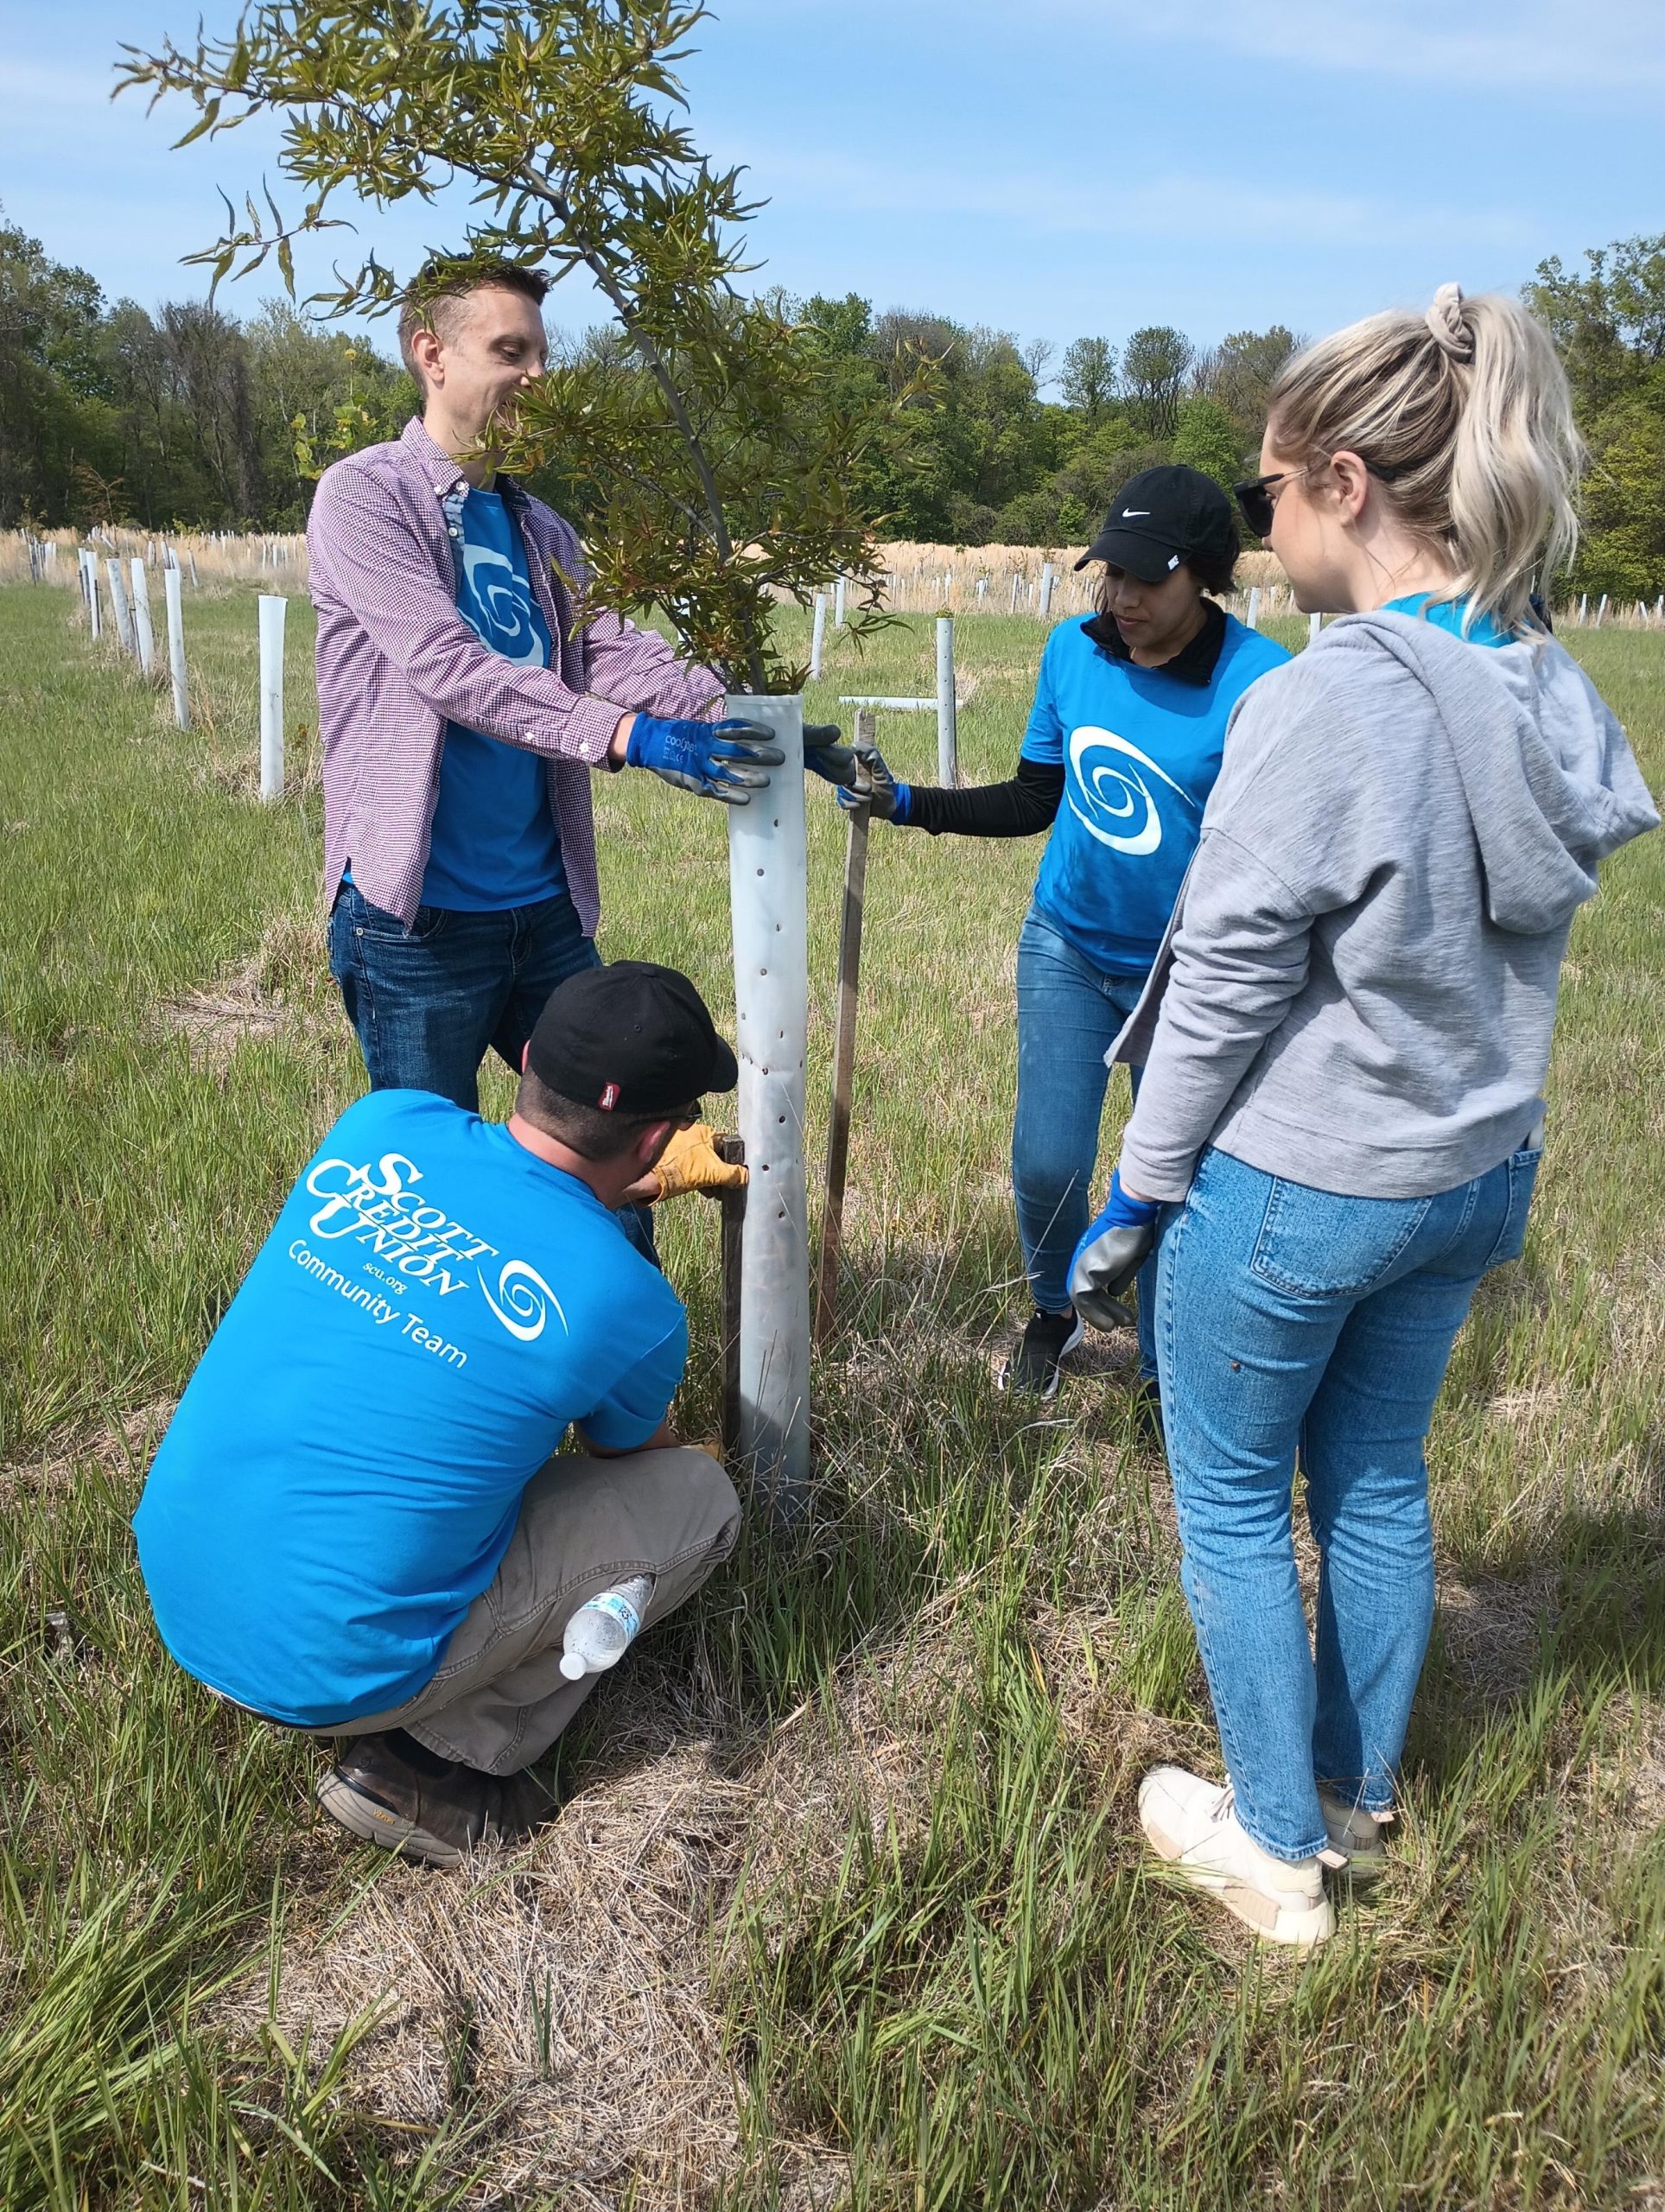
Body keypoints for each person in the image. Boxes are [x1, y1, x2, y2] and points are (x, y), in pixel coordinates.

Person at [1071, 284, 1659, 1944]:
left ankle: (1272, 1848)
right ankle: (1352, 1792)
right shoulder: (1541, 679)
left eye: (1261, 497)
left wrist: (1140, 1187)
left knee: (1237, 1498)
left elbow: (1229, 981)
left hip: (1303, 1178)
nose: (1256, 535)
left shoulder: (1329, 697)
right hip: (1473, 1167)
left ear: (1341, 482)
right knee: (1382, 1480)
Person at [133, 963, 749, 1868]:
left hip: (181, 1578)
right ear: (660, 1135)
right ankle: (428, 1764)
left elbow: (494, 1211)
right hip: (338, 1671)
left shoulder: (383, 1124)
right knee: (696, 1499)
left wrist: (626, 1191)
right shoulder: (630, 1302)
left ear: (528, 1057)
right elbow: (629, 1457)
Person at [814, 467, 1287, 1397]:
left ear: (1206, 580)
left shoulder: (1262, 682)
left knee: (1178, 1181)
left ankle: (1162, 1362)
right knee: (1047, 1162)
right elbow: (1035, 798)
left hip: (1190, 972)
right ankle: (1054, 1310)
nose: (1121, 598)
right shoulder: (1072, 652)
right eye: (1109, 574)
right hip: (1066, 944)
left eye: (1147, 580)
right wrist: (904, 801)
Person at [308, 257, 785, 1116]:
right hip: (417, 918)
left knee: (619, 1134)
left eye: (541, 354)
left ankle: (603, 1258)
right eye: (510, 350)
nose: (537, 376)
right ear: (433, 354)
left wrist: (745, 715)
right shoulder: (365, 498)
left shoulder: (542, 527)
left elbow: (613, 652)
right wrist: (627, 736)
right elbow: (448, 667)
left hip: (544, 908)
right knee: (430, 1173)